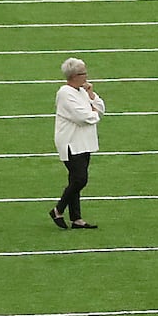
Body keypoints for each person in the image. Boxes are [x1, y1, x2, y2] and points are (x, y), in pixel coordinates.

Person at [50, 57, 105, 230]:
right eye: (84, 73)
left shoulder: (81, 91)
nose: (86, 76)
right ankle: (58, 209)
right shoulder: (65, 93)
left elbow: (100, 108)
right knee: (80, 179)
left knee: (75, 179)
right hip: (71, 142)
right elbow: (84, 117)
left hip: (83, 141)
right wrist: (94, 112)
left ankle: (76, 218)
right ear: (74, 75)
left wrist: (91, 95)